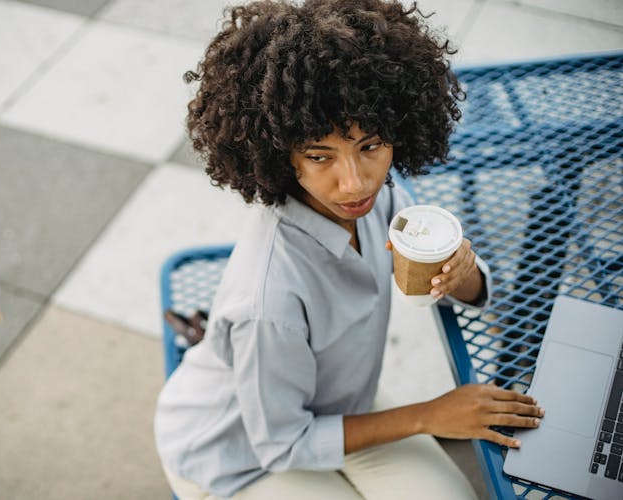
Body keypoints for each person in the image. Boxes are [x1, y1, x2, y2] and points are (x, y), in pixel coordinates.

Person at [154, 1, 544, 498]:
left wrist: (462, 273)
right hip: (235, 453)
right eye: (320, 156)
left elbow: (437, 289)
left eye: (371, 146)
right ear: (278, 154)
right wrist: (429, 415)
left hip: (337, 400)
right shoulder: (268, 299)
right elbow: (281, 443)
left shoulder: (381, 201)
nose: (356, 182)